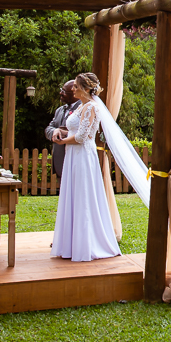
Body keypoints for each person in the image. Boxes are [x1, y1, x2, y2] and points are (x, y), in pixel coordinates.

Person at [51, 72, 120, 262]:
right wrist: (61, 134)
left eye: (75, 86)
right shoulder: (81, 107)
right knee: (73, 196)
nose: (72, 89)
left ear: (83, 88)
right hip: (73, 155)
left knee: (83, 196)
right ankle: (71, 243)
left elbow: (82, 137)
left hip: (82, 156)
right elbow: (76, 130)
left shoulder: (91, 107)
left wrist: (62, 141)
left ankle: (86, 244)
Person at [45, 80, 78, 179]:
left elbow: (85, 134)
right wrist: (55, 131)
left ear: (74, 93)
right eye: (61, 90)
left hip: (75, 158)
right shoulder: (59, 110)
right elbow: (48, 129)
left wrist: (64, 133)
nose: (60, 93)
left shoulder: (83, 109)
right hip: (60, 160)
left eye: (64, 91)